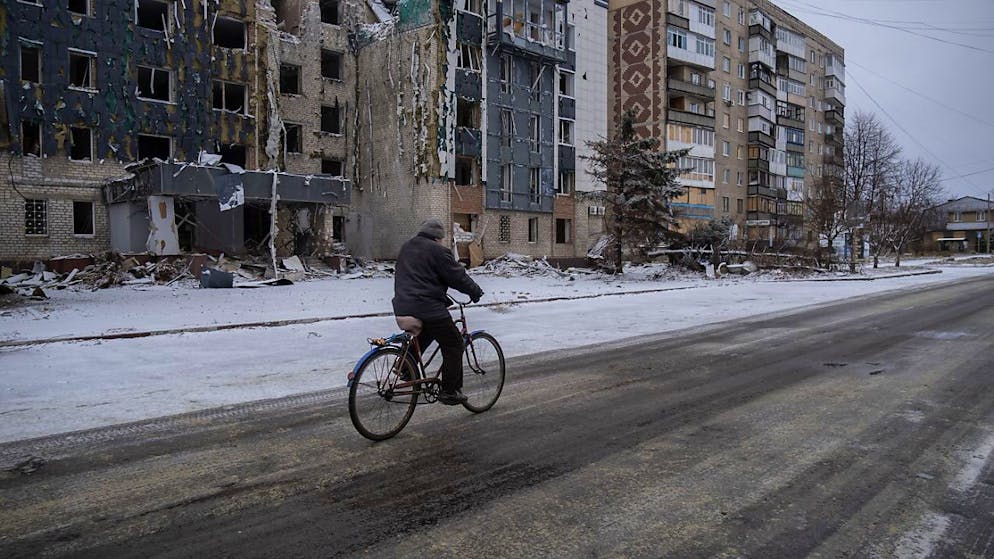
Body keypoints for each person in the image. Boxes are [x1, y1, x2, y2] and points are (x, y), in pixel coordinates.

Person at [393, 218, 484, 405]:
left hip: (402, 305)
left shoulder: (407, 247)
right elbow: (456, 276)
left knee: (429, 331)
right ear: (437, 237)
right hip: (427, 306)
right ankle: (450, 392)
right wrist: (475, 291)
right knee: (454, 342)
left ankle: (405, 367)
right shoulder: (438, 251)